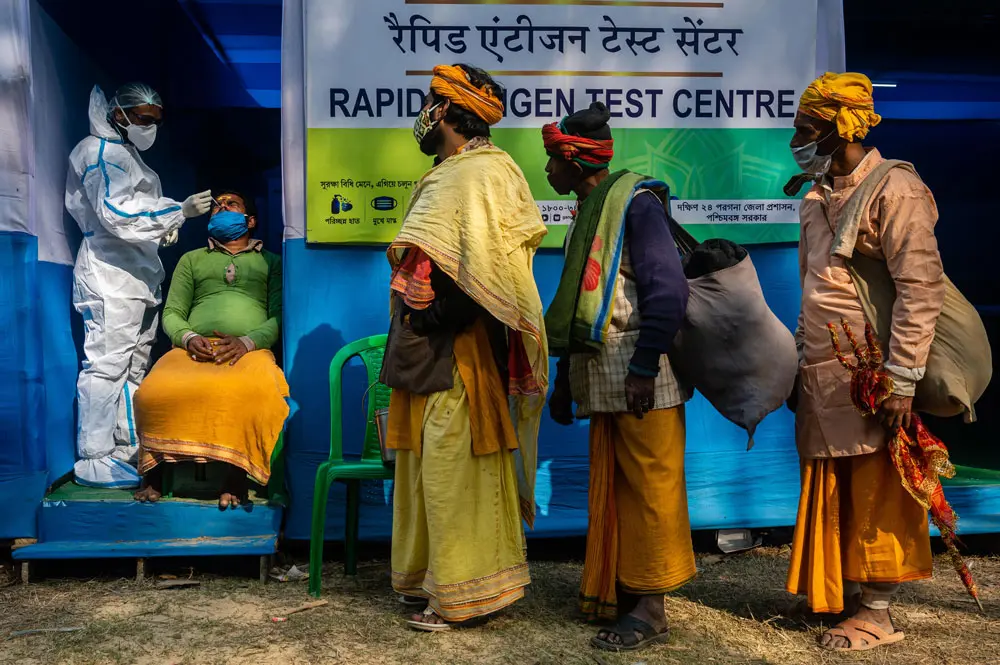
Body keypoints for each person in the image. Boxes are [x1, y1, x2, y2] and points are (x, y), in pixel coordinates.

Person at [383, 64, 548, 631]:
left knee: (456, 465)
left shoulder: (473, 175)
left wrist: (435, 317)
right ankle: (428, 578)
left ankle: (465, 594)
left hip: (459, 348)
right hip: (430, 345)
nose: (423, 115)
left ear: (451, 113)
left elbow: (486, 270)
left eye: (430, 103)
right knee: (424, 464)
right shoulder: (468, 171)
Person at [785, 72, 944, 651]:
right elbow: (812, 284)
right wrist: (800, 362)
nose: (796, 138)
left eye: (806, 129)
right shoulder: (814, 193)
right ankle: (844, 594)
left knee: (876, 485)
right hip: (822, 371)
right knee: (836, 479)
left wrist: (902, 379)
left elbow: (919, 288)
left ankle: (876, 612)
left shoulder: (894, 189)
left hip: (874, 374)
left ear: (838, 128)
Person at [543, 103, 694, 651]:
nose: (546, 172)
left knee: (649, 490)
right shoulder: (588, 212)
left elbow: (668, 293)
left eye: (550, 161)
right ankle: (620, 594)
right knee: (616, 489)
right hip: (602, 376)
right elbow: (580, 307)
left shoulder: (637, 206)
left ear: (572, 159)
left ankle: (650, 609)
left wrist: (643, 366)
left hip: (639, 376)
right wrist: (563, 381)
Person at [65, 83, 213, 488]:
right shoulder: (99, 154)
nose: (151, 127)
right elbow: (116, 215)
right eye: (144, 119)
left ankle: (124, 448)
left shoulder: (124, 154)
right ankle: (93, 457)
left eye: (156, 121)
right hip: (110, 275)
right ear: (119, 113)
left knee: (133, 367)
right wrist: (177, 212)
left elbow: (137, 212)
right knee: (106, 364)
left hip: (137, 274)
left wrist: (162, 228)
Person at [132, 191, 288, 508]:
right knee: (153, 392)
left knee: (253, 392)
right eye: (218, 205)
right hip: (192, 349)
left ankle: (235, 478)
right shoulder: (192, 259)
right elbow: (173, 313)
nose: (223, 208)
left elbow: (278, 316)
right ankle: (155, 476)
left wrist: (246, 343)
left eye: (233, 204)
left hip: (249, 351)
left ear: (251, 220)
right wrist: (188, 337)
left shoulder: (271, 262)